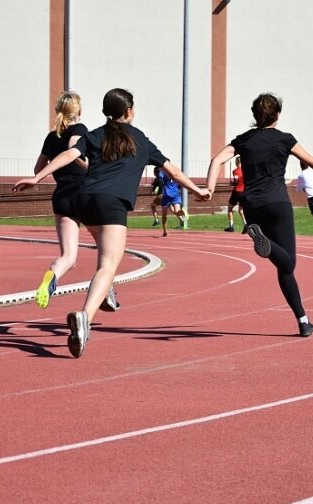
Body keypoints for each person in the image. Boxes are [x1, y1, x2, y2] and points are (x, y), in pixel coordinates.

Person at [13, 88, 208, 357]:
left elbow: (69, 155)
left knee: (99, 253)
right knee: (108, 265)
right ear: (129, 111)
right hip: (111, 203)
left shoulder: (95, 134)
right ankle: (85, 316)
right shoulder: (139, 139)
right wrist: (198, 191)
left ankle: (105, 292)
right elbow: (171, 169)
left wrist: (37, 178)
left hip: (83, 201)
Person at [205, 92, 313, 337]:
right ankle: (268, 247)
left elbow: (217, 159)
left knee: (284, 268)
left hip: (252, 206)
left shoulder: (243, 140)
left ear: (254, 116)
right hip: (277, 204)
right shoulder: (284, 139)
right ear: (277, 115)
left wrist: (210, 188)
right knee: (289, 263)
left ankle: (303, 320)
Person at [31, 91, 120, 312]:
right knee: (107, 249)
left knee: (68, 257)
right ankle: (107, 292)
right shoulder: (79, 130)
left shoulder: (51, 137)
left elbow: (37, 169)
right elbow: (75, 150)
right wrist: (91, 168)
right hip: (84, 194)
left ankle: (52, 276)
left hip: (61, 197)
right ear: (79, 111)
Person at [158, 165, 187, 237]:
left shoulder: (162, 172)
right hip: (173, 194)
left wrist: (160, 192)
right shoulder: (174, 172)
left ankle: (165, 231)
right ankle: (165, 231)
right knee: (175, 211)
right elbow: (180, 183)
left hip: (168, 195)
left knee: (165, 214)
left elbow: (160, 181)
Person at [224, 156, 247, 233]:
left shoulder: (235, 171)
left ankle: (231, 226)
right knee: (241, 210)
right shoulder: (246, 170)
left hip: (237, 192)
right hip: (244, 192)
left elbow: (236, 181)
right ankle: (246, 224)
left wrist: (232, 183)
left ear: (237, 162)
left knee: (230, 208)